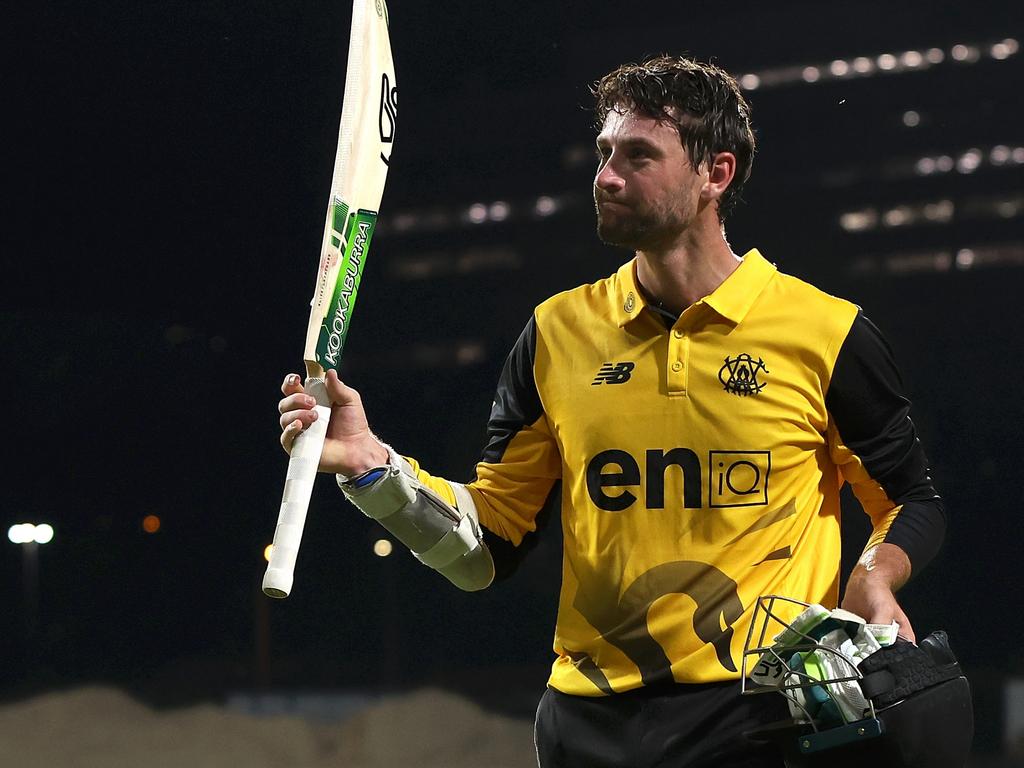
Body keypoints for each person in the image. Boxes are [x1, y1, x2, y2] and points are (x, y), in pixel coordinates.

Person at [276, 55, 946, 767]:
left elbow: (911, 499)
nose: (606, 177)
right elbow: (486, 552)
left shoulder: (827, 331)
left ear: (715, 174)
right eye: (603, 153)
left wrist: (873, 579)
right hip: (586, 727)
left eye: (637, 156)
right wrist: (373, 470)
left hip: (760, 718)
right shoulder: (556, 333)